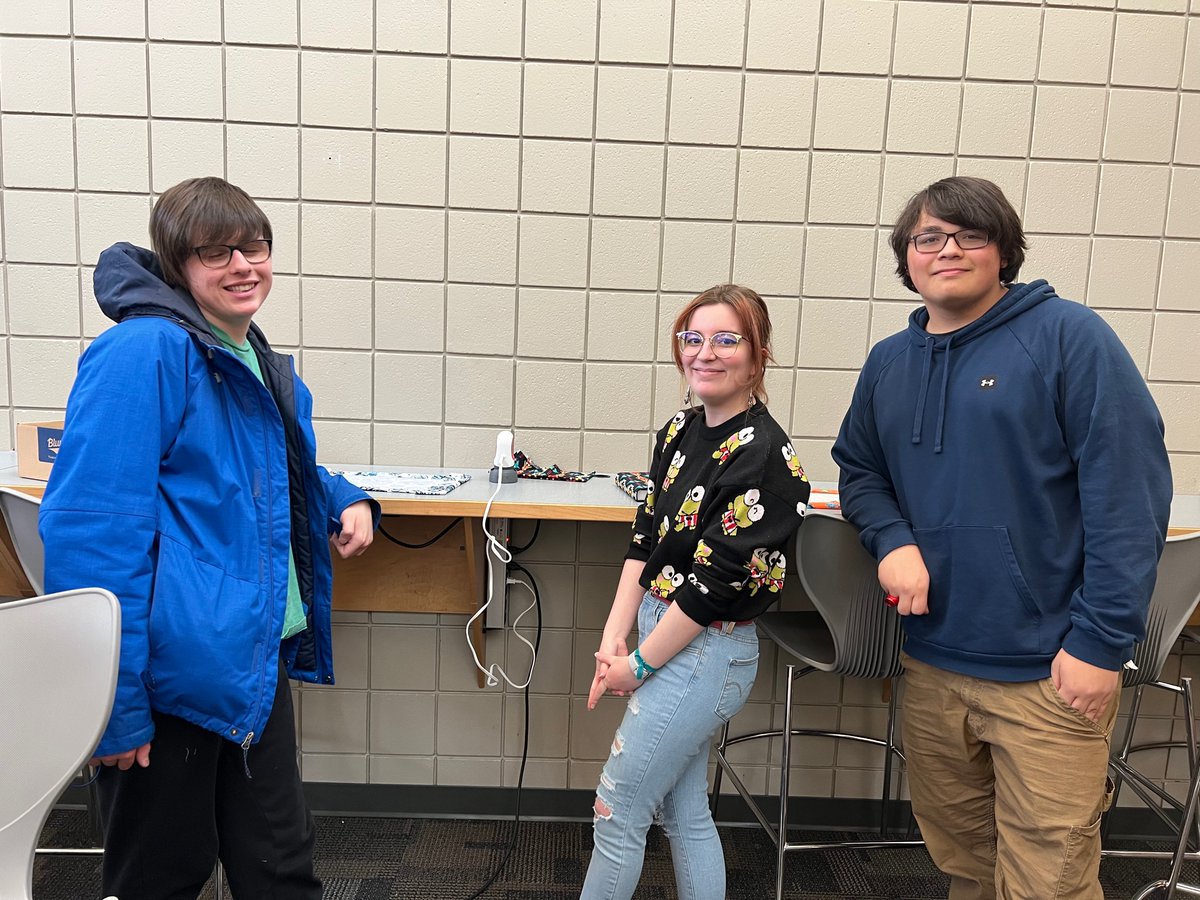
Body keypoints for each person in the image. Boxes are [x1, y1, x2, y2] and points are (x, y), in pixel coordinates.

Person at [832, 176, 1172, 899]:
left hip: (1050, 670)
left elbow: (1130, 495)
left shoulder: (1069, 338)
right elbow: (859, 469)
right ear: (906, 256)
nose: (948, 249)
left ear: (1004, 250)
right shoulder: (890, 362)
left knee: (1049, 879)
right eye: (929, 236)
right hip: (933, 664)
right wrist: (892, 539)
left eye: (970, 234)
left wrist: (1099, 643)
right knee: (967, 865)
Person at [40, 176, 380, 900]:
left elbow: (273, 478)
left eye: (254, 245)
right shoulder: (145, 353)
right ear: (176, 263)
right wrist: (116, 706)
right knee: (161, 880)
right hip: (170, 682)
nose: (243, 264)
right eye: (215, 251)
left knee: (282, 873)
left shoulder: (255, 359)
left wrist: (346, 499)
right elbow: (92, 536)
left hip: (251, 665)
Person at [582, 284, 811, 900]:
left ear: (758, 357)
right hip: (665, 629)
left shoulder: (766, 457)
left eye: (726, 340)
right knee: (683, 814)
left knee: (617, 808)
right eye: (693, 338)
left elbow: (712, 591)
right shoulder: (680, 430)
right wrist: (615, 634)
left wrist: (636, 664)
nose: (705, 353)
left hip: (707, 648)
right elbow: (645, 538)